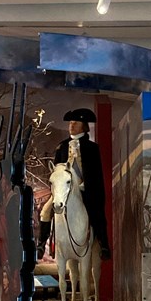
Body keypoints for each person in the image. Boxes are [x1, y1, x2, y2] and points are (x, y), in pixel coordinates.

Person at [38, 108, 112, 260]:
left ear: (84, 126)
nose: (71, 125)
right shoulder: (61, 146)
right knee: (45, 211)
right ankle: (41, 242)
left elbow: (96, 173)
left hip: (86, 190)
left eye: (75, 123)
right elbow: (56, 171)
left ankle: (103, 244)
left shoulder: (92, 148)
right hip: (64, 190)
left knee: (97, 213)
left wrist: (90, 188)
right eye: (70, 123)